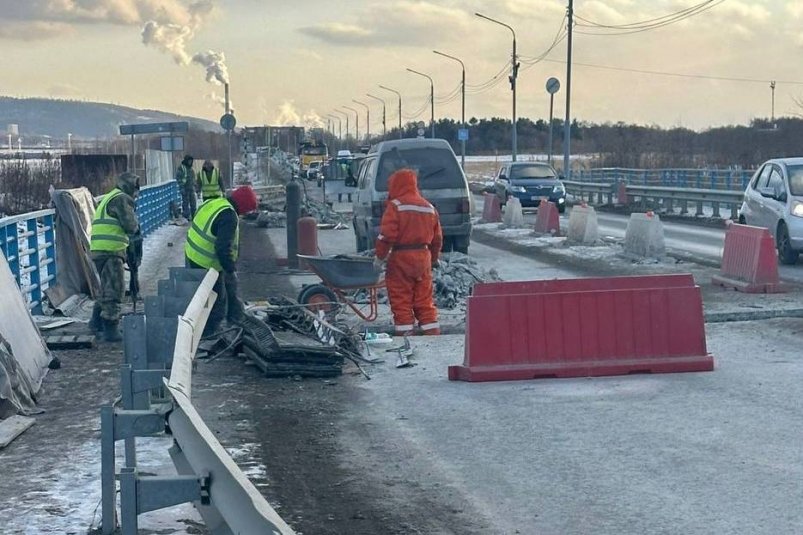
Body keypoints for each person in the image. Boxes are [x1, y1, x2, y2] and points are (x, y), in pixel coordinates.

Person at [374, 168, 443, 336]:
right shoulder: (429, 207)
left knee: (401, 299)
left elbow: (386, 236)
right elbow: (437, 238)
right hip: (423, 258)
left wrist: (380, 257)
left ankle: (406, 336)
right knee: (425, 300)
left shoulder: (396, 206)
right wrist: (433, 259)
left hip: (401, 258)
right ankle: (432, 335)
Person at [184, 194, 249, 335]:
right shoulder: (229, 216)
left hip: (192, 253)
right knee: (217, 301)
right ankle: (209, 335)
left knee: (205, 297)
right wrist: (230, 270)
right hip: (205, 261)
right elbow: (222, 247)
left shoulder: (215, 202)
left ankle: (222, 323)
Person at [88, 172, 141, 342]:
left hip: (99, 248)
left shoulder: (110, 196)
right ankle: (110, 328)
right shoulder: (121, 199)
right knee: (115, 289)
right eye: (136, 189)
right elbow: (131, 226)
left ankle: (96, 322)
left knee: (106, 287)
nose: (136, 193)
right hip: (111, 250)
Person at [175, 154, 197, 220]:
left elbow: (193, 178)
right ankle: (186, 216)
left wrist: (195, 185)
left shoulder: (191, 169)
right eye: (189, 161)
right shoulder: (182, 168)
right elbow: (178, 178)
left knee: (193, 203)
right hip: (185, 188)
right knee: (185, 203)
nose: (190, 162)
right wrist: (181, 187)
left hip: (191, 188)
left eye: (191, 161)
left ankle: (194, 216)